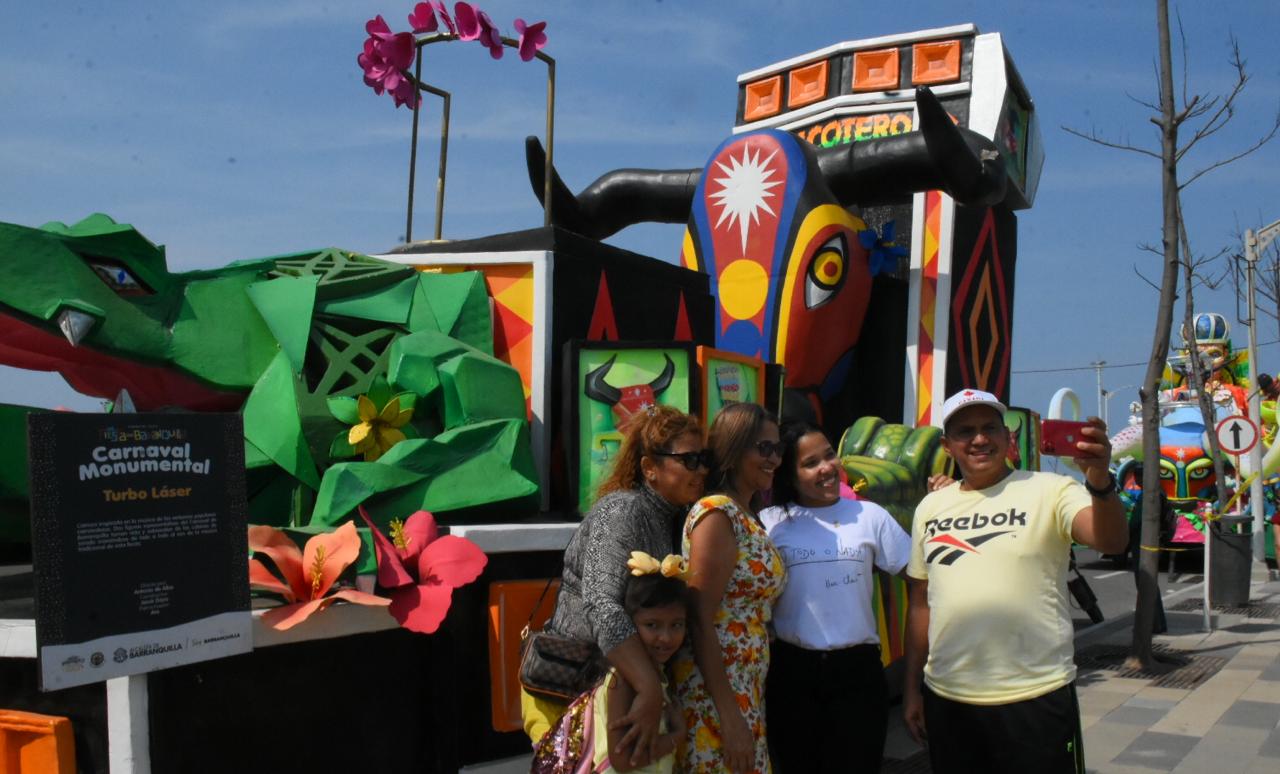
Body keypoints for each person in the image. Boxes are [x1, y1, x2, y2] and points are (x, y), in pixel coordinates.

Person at [903, 389, 1127, 773]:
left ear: (1008, 437)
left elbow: (1111, 540)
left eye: (990, 427)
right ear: (947, 445)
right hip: (949, 700)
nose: (979, 438)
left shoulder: (1051, 490)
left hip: (1035, 698)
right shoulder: (930, 507)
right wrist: (912, 691)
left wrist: (1100, 480)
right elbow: (921, 603)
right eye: (965, 431)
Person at [523, 405, 708, 768]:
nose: (701, 469)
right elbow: (601, 604)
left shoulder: (673, 520)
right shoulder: (621, 511)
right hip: (571, 690)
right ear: (649, 469)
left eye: (704, 459)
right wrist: (650, 689)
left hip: (620, 689)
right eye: (690, 460)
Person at [759, 421, 911, 773]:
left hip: (857, 674)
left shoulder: (870, 516)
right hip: (790, 673)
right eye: (810, 463)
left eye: (829, 455)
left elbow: (920, 579)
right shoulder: (770, 523)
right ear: (789, 474)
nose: (826, 467)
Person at [674, 403, 787, 774]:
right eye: (764, 448)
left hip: (744, 687)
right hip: (717, 691)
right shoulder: (718, 514)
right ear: (736, 449)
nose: (775, 458)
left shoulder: (747, 513)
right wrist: (729, 714)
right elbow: (699, 618)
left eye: (778, 448)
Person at [531, 552, 690, 774]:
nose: (665, 637)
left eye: (676, 625)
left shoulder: (655, 674)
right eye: (652, 625)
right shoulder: (622, 680)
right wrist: (676, 737)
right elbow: (622, 759)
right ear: (630, 625)